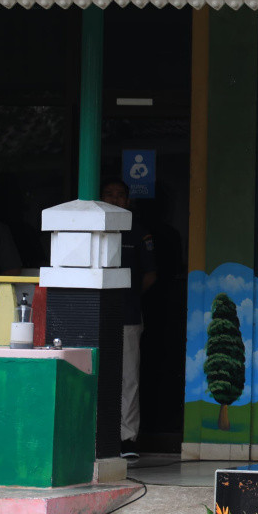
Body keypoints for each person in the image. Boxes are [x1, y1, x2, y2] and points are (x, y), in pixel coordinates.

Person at [100, 179, 157, 460]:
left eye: (120, 195)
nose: (114, 199)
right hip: (93, 316)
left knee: (128, 378)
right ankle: (96, 436)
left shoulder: (138, 232)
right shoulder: (93, 228)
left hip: (128, 314)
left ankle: (127, 438)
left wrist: (129, 296)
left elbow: (150, 275)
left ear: (128, 200)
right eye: (109, 194)